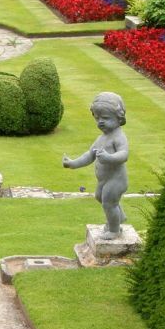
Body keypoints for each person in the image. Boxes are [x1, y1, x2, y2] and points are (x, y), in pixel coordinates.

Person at [63, 92, 129, 236]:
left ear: (119, 118)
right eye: (97, 118)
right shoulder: (102, 138)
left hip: (116, 180)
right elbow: (89, 155)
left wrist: (109, 157)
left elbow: (124, 154)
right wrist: (73, 163)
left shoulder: (118, 137)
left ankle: (114, 230)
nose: (100, 122)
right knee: (99, 197)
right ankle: (119, 217)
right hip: (104, 180)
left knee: (108, 203)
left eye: (105, 118)